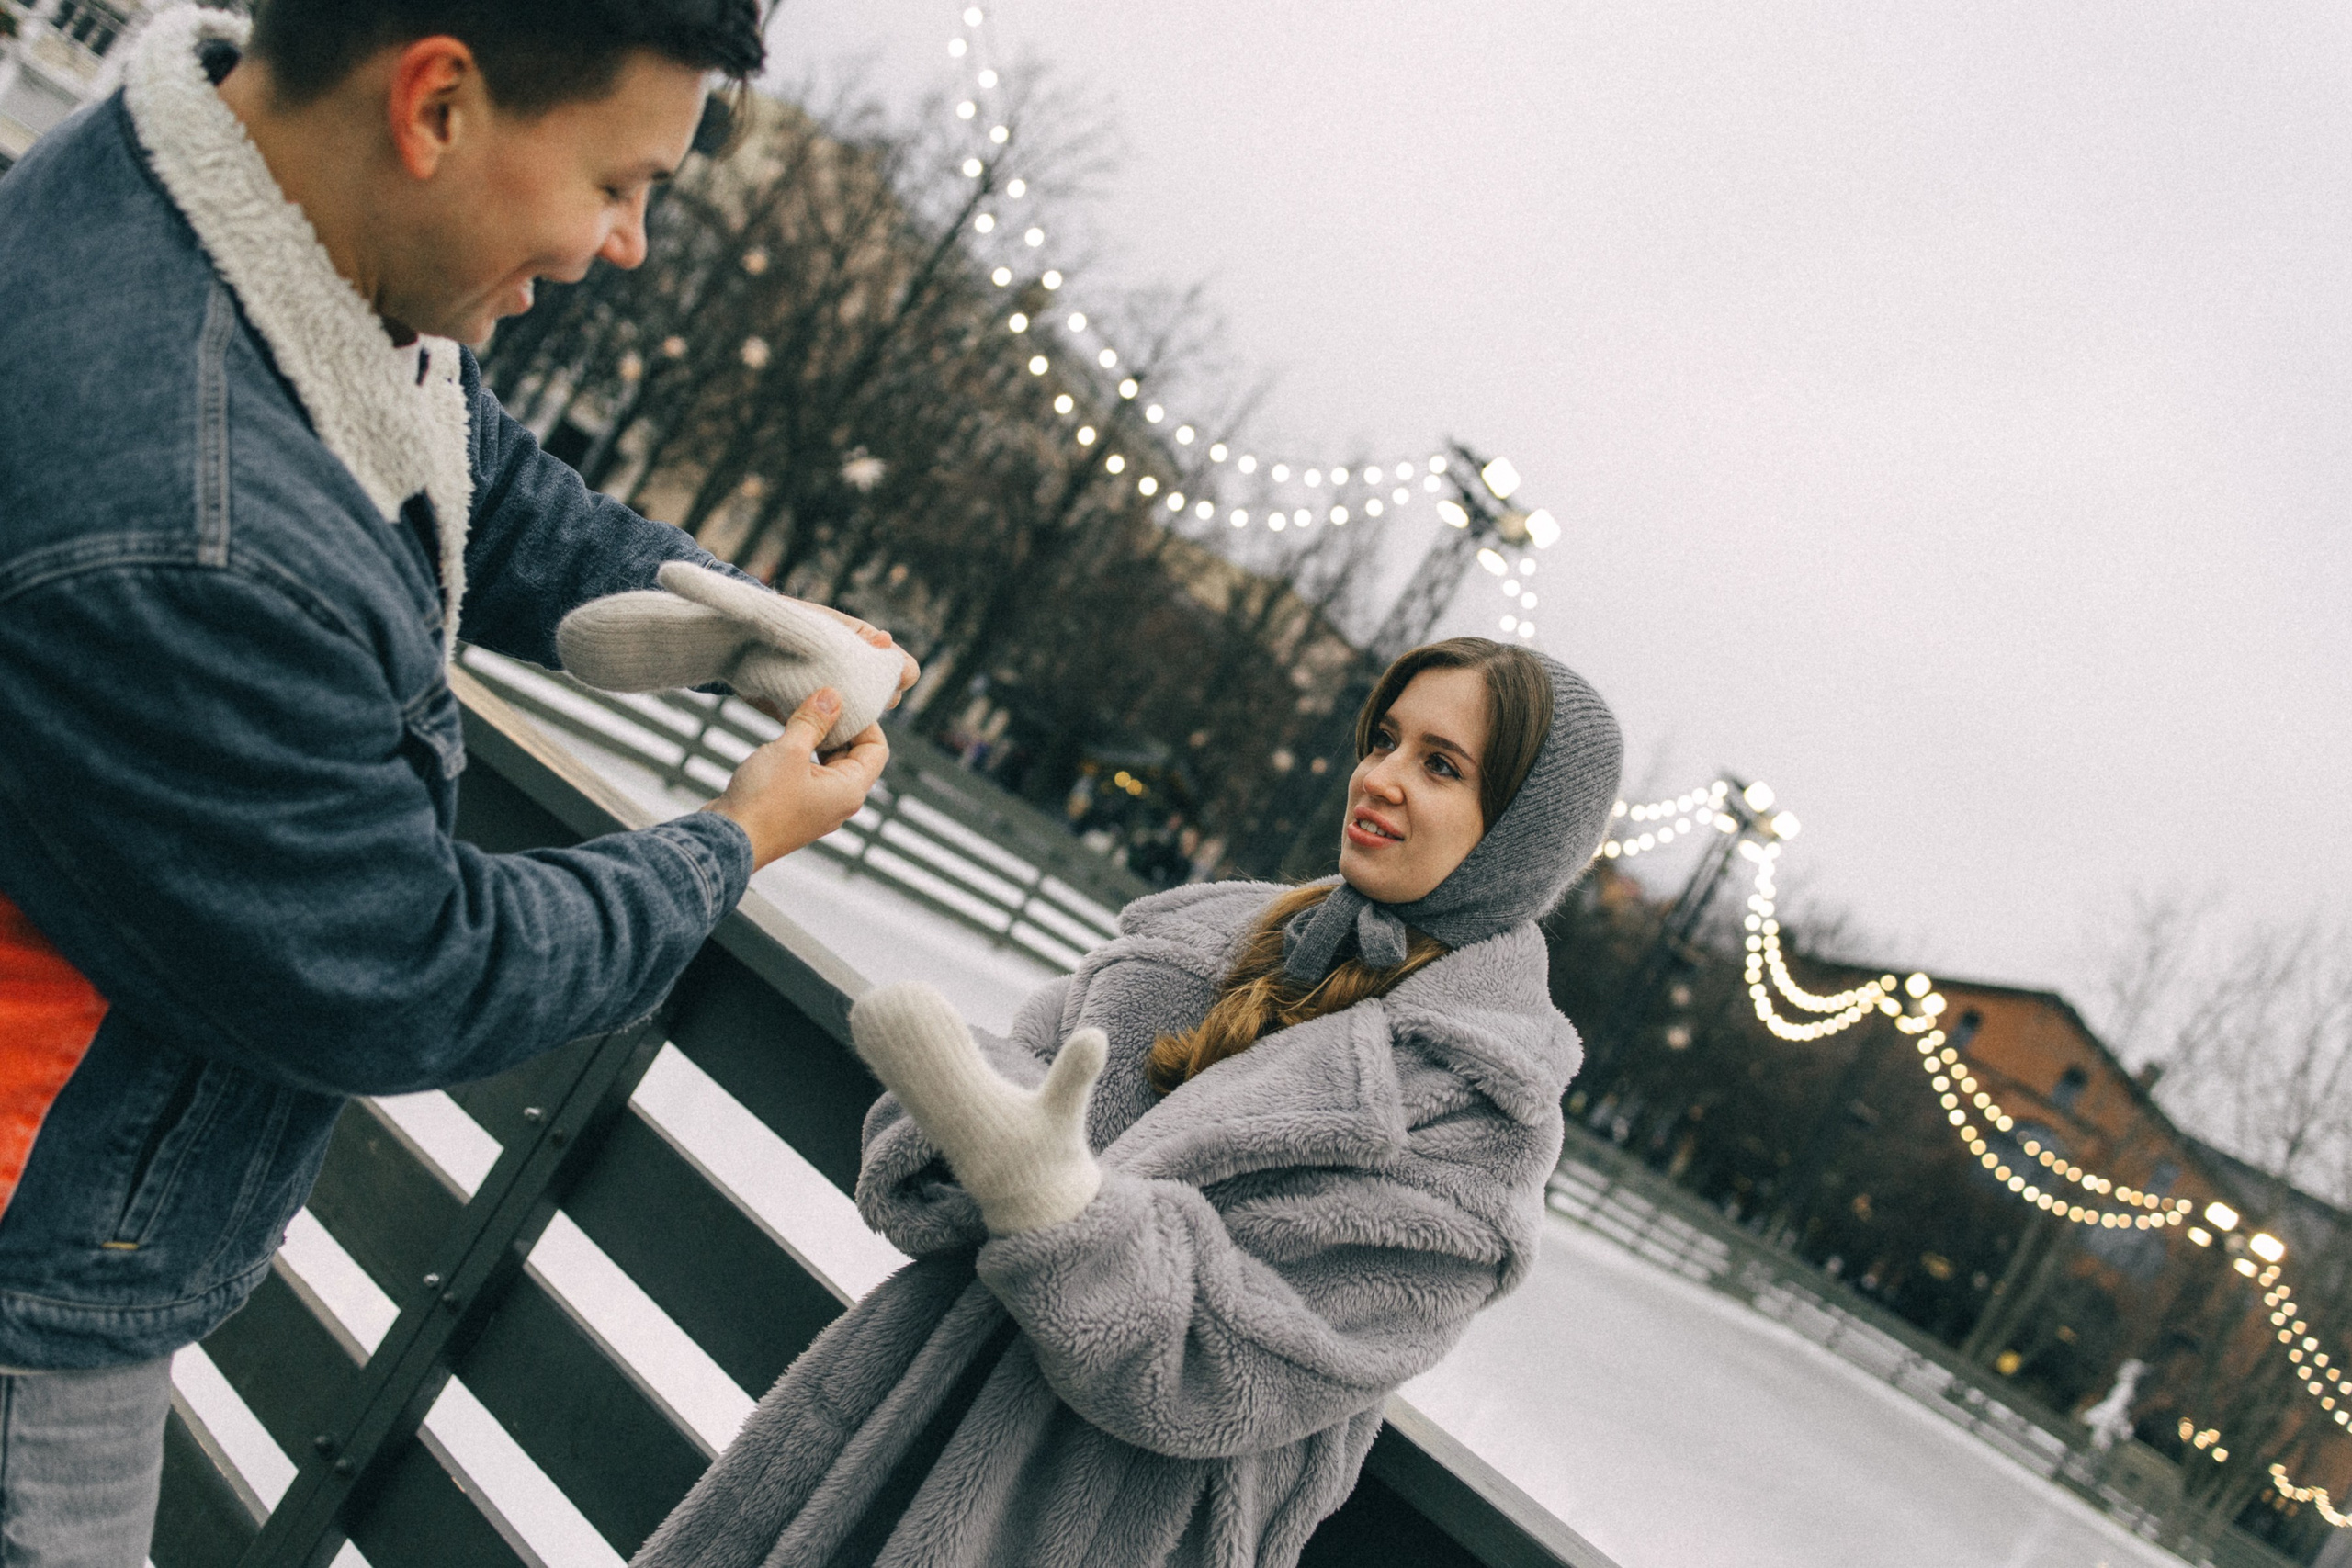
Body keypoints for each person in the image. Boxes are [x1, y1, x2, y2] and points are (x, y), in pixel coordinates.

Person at [0, 3, 915, 1558]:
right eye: (618, 183)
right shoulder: (195, 518)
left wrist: (736, 626)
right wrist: (731, 839)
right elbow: (408, 967)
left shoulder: (235, 216)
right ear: (435, 105)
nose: (624, 243)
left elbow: (472, 469)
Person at [635, 637, 1625, 1568]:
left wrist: (1048, 1194)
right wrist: (974, 1132)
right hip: (876, 1438)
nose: (1381, 776)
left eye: (1441, 765)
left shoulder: (1477, 1116)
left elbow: (1219, 1368)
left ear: (1523, 837)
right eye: (1384, 739)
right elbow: (975, 1116)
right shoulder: (1202, 936)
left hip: (1083, 1529)